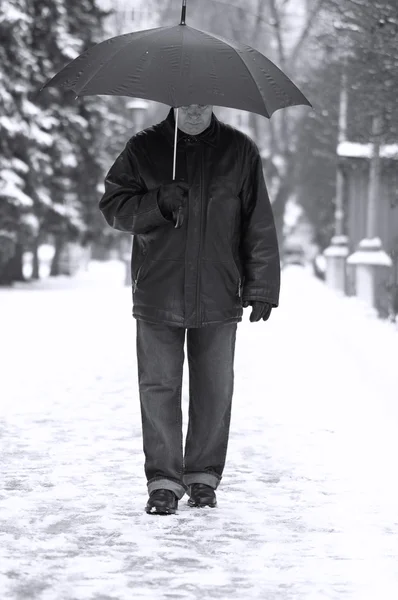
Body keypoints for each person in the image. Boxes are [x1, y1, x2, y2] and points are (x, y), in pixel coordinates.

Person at [99, 104, 280, 515]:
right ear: (172, 102)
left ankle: (202, 477)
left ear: (214, 101)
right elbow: (113, 207)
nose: (195, 110)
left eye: (203, 102)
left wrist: (263, 284)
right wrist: (157, 203)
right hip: (158, 289)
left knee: (215, 389)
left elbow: (258, 223)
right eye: (187, 103)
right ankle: (163, 481)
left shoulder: (240, 151)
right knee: (159, 387)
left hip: (218, 289)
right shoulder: (143, 149)